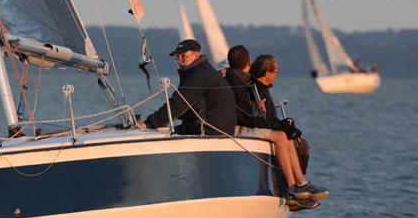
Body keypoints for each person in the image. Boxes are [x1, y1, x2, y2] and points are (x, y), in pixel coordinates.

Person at [248, 53, 328, 206]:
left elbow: (271, 118)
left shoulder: (263, 88)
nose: (277, 74)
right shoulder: (256, 90)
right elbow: (262, 119)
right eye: (275, 71)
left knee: (299, 142)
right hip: (258, 127)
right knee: (285, 136)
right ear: (266, 73)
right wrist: (284, 127)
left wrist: (287, 125)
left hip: (268, 126)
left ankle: (301, 184)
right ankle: (293, 186)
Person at [140, 39, 236, 135]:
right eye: (177, 57)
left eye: (183, 56)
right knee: (162, 132)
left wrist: (148, 124)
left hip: (211, 131)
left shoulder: (199, 75)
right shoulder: (200, 70)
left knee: (159, 134)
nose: (180, 60)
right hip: (210, 128)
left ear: (196, 55)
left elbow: (177, 104)